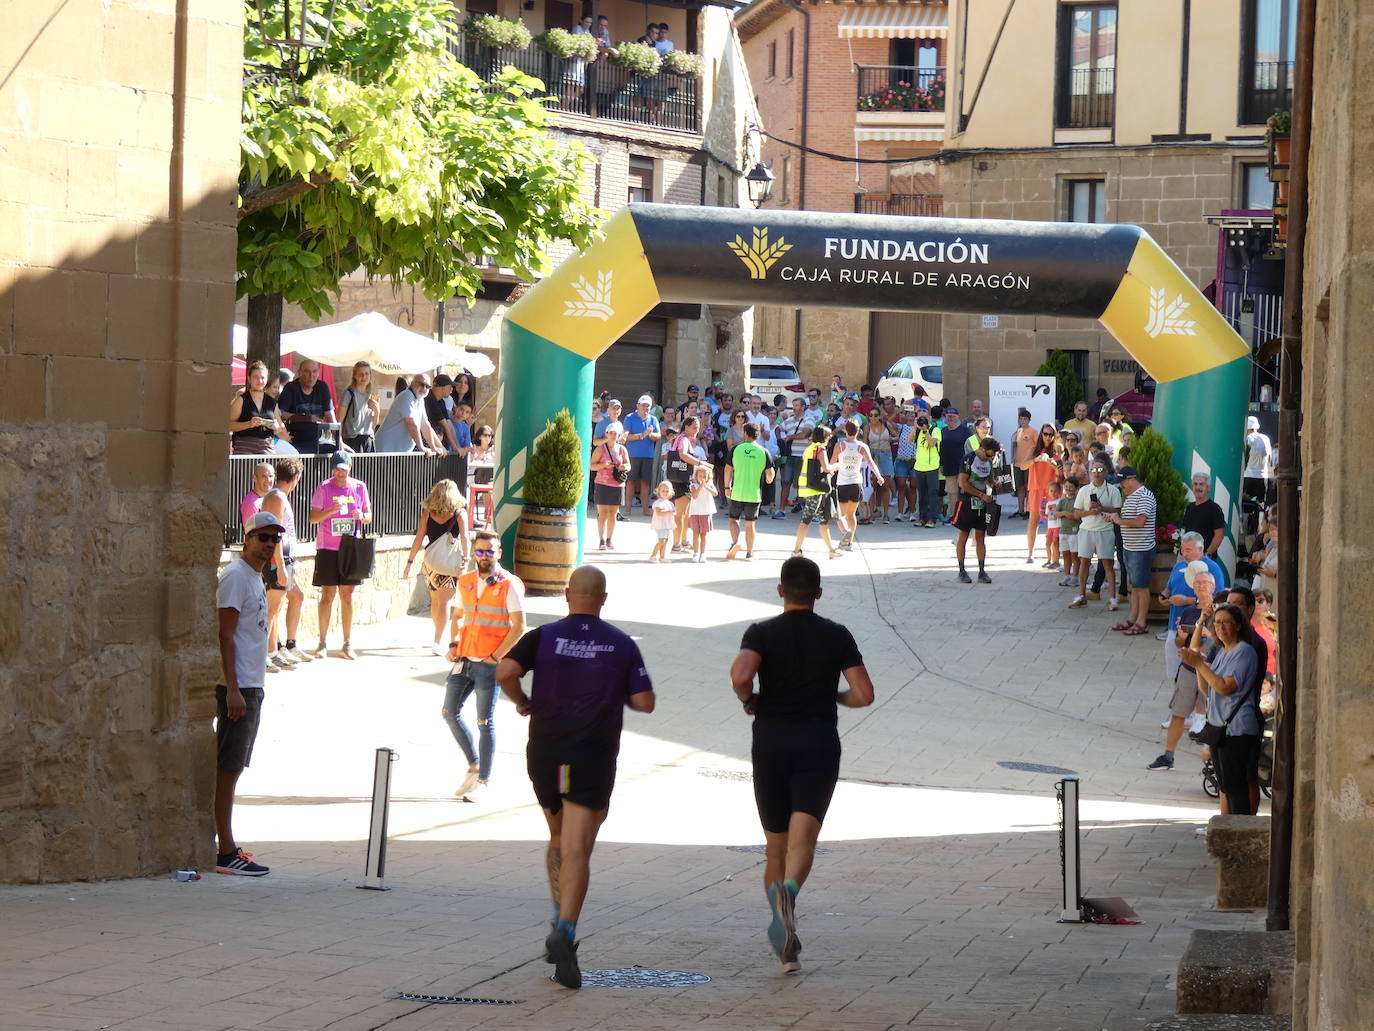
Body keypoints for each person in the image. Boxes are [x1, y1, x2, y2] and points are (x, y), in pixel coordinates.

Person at [495, 565, 654, 989]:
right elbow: (646, 701)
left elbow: (504, 672)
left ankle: (558, 909)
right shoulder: (621, 644)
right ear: (602, 598)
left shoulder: (543, 636)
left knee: (558, 837)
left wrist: (523, 701)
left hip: (548, 753)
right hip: (591, 754)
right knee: (578, 848)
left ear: (567, 594)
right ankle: (565, 928)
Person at [729, 556, 875, 974]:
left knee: (775, 845)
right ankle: (791, 891)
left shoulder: (761, 632)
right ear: (818, 592)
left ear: (780, 591)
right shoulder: (837, 634)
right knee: (803, 841)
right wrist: (836, 697)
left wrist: (748, 698)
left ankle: (783, 940)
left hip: (771, 743)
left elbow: (740, 676)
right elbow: (863, 693)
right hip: (818, 745)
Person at [214, 510, 280, 876]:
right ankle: (226, 849)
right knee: (229, 767)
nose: (269, 544)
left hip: (253, 684)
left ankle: (226, 844)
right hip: (238, 687)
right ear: (248, 537)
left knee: (234, 766)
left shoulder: (255, 577)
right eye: (263, 537)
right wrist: (233, 689)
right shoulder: (236, 577)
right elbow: (225, 635)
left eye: (275, 539)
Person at [445, 530, 526, 802]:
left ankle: (484, 780)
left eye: (489, 551)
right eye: (479, 551)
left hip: (489, 665)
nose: (484, 556)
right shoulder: (465, 580)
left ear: (499, 553)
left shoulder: (509, 584)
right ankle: (473, 763)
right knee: (449, 712)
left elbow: (519, 626)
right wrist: (452, 644)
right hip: (465, 659)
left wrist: (496, 657)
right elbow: (457, 616)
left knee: (484, 722)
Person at [1179, 603, 1263, 815]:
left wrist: (1199, 664)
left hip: (1237, 730)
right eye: (1217, 623)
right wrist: (1200, 666)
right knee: (1226, 786)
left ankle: (1240, 834)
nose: (1221, 627)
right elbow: (1207, 688)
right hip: (1221, 730)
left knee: (1236, 788)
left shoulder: (1244, 652)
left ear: (1237, 626)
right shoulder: (1224, 652)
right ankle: (1230, 831)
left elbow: (1225, 687)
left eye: (1226, 623)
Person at [1148, 565, 1216, 772]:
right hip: (1188, 668)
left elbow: (1227, 641)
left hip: (1211, 670)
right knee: (1178, 712)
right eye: (1197, 583)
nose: (1201, 587)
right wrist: (1183, 637)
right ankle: (1168, 756)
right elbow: (1179, 643)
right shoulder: (1188, 612)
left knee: (1216, 716)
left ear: (1212, 587)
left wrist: (1209, 634)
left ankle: (1214, 759)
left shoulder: (1222, 613)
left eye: (1204, 583)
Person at [308, 453, 372, 659]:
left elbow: (369, 515)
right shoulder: (324, 487)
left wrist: (362, 516)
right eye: (336, 468)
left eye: (343, 468)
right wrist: (330, 511)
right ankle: (322, 642)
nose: (339, 472)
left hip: (351, 547)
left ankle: (347, 643)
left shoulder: (359, 487)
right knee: (327, 595)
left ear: (350, 467)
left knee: (347, 596)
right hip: (328, 547)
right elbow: (312, 517)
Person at [403, 479, 471, 655]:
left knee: (435, 601)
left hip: (431, 563)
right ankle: (438, 641)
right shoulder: (459, 513)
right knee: (445, 602)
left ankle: (437, 636)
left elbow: (419, 538)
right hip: (450, 565)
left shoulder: (428, 513)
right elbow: (465, 537)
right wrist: (466, 559)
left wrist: (409, 562)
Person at [261, 457, 311, 668]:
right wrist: (280, 565)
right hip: (277, 560)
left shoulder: (279, 496)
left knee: (278, 606)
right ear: (296, 478)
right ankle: (264, 654)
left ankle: (273, 652)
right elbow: (275, 534)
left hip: (283, 559)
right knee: (272, 608)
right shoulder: (277, 498)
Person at [1104, 466, 1157, 634]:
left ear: (1132, 480)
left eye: (1123, 482)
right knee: (1134, 586)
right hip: (1131, 548)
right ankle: (1132, 619)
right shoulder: (1132, 495)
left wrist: (1119, 521)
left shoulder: (1145, 496)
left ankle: (1141, 623)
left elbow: (1140, 522)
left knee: (1141, 587)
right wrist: (1114, 518)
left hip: (1141, 549)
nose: (1121, 486)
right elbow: (1128, 519)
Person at [1067, 462, 1123, 611]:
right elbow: (1077, 513)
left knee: (1107, 565)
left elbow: (1118, 510)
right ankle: (1081, 595)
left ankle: (1112, 598)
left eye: (1100, 470)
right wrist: (1091, 512)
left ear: (1105, 472)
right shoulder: (1084, 490)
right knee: (1084, 562)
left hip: (1105, 530)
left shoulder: (1112, 490)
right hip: (1086, 530)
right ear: (1090, 472)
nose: (1097, 473)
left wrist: (1101, 508)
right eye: (1094, 470)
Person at [952, 435, 1001, 584]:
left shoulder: (989, 461)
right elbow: (962, 483)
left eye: (991, 456)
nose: (988, 458)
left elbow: (990, 480)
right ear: (981, 449)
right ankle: (962, 570)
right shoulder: (969, 458)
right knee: (964, 535)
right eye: (987, 455)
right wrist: (980, 494)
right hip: (967, 500)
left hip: (982, 503)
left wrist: (995, 484)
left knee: (981, 537)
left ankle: (982, 571)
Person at [725, 421, 774, 561]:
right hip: (754, 494)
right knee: (750, 523)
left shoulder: (736, 449)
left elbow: (728, 469)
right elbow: (770, 473)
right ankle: (750, 553)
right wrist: (769, 480)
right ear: (757, 435)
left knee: (733, 520)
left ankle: (734, 543)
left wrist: (727, 487)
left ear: (745, 433)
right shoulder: (764, 452)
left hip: (737, 492)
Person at [832, 420, 884, 551]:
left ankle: (845, 534)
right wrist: (878, 476)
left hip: (842, 483)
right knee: (851, 514)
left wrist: (827, 474)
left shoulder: (840, 445)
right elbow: (870, 462)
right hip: (856, 483)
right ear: (858, 430)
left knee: (841, 515)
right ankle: (849, 542)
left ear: (846, 430)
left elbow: (832, 462)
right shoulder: (862, 446)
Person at [793, 425, 841, 559]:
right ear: (825, 437)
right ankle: (796, 550)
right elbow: (826, 467)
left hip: (807, 487)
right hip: (814, 489)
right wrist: (837, 466)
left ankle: (831, 550)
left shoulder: (810, 447)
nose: (830, 438)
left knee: (823, 519)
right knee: (806, 519)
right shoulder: (820, 449)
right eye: (829, 436)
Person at [276, 359, 336, 455]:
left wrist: (340, 442)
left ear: (319, 372)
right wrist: (304, 418)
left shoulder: (322, 387)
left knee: (336, 452)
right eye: (307, 371)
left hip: (318, 440)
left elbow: (330, 417)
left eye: (314, 371)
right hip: (296, 440)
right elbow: (280, 413)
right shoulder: (291, 388)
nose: (311, 376)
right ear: (299, 372)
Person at [667, 416, 707, 553]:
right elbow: (683, 455)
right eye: (694, 427)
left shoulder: (683, 439)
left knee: (684, 513)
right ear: (687, 427)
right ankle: (677, 543)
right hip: (681, 480)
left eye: (698, 427)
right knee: (680, 513)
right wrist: (701, 463)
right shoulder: (683, 439)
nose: (697, 430)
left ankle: (683, 540)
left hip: (682, 479)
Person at [375, 374, 444, 454]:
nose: (424, 388)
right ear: (412, 383)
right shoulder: (406, 396)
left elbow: (425, 425)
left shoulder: (420, 400)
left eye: (427, 386)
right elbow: (411, 424)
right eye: (421, 384)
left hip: (398, 453)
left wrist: (435, 447)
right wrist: (421, 447)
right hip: (385, 451)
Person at [591, 422, 630, 551]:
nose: (613, 435)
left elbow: (628, 465)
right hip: (602, 484)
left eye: (615, 433)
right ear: (606, 434)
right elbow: (592, 466)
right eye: (611, 432)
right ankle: (601, 540)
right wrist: (604, 465)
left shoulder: (622, 449)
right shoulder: (600, 448)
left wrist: (624, 467)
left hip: (617, 484)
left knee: (613, 514)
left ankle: (609, 539)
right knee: (602, 513)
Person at [1024, 424, 1060, 561]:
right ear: (1041, 434)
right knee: (1033, 521)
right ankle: (1030, 553)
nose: (1048, 437)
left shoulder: (1057, 450)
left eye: (1051, 435)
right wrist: (1036, 459)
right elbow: (1022, 465)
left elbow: (1060, 470)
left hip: (1051, 490)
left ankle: (1052, 556)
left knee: (1052, 522)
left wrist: (1051, 463)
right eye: (1045, 434)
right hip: (1035, 488)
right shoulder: (1034, 449)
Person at [622, 394, 661, 518]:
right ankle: (628, 509)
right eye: (644, 405)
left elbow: (658, 436)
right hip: (632, 455)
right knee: (631, 482)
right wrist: (641, 435)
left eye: (648, 406)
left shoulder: (653, 419)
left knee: (645, 483)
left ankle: (645, 509)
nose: (646, 408)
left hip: (648, 456)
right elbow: (626, 436)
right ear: (637, 406)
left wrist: (650, 435)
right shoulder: (629, 418)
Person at [229, 360, 280, 455]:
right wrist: (249, 424)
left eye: (262, 378)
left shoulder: (272, 402)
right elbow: (229, 425)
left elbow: (279, 427)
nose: (260, 381)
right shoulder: (241, 400)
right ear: (249, 379)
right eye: (256, 377)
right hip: (244, 446)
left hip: (266, 447)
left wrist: (274, 426)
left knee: (268, 469)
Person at [777, 397, 814, 514]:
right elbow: (778, 428)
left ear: (803, 407)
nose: (794, 408)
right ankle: (781, 510)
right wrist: (780, 440)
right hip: (791, 456)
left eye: (796, 405)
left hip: (803, 456)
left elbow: (805, 434)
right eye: (793, 405)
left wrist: (789, 437)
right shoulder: (789, 420)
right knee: (786, 482)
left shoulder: (809, 419)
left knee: (803, 485)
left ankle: (805, 509)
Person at [1183, 473, 1227, 570]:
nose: (1198, 487)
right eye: (1195, 484)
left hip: (1205, 560)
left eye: (1201, 484)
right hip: (1187, 559)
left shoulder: (1214, 509)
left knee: (1203, 585)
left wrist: (1207, 554)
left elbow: (1219, 535)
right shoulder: (1189, 507)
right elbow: (1186, 531)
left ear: (1208, 488)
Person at [337, 361, 381, 453]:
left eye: (366, 374)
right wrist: (339, 441)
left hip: (368, 439)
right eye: (360, 374)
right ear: (355, 376)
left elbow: (374, 424)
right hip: (352, 439)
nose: (364, 377)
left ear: (370, 375)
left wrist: (377, 411)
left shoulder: (372, 395)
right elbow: (339, 420)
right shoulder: (348, 394)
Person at [938, 406, 969, 522]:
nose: (950, 418)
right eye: (948, 416)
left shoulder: (965, 430)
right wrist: (941, 464)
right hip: (948, 466)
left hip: (963, 467)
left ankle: (963, 516)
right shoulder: (943, 431)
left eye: (953, 416)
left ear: (957, 417)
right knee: (951, 493)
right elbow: (940, 449)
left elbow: (971, 447)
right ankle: (953, 516)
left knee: (964, 492)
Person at [865, 406, 895, 523]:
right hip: (873, 455)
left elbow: (896, 436)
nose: (873, 417)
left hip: (886, 455)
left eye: (876, 415)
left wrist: (891, 439)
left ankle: (886, 514)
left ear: (879, 416)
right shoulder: (867, 427)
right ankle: (873, 512)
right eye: (871, 415)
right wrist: (870, 457)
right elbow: (865, 443)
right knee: (872, 486)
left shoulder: (886, 425)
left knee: (885, 486)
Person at [687, 463, 718, 562]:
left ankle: (703, 553)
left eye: (705, 476)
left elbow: (715, 493)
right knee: (695, 533)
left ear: (709, 476)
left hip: (705, 512)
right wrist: (700, 486)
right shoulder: (693, 485)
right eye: (700, 476)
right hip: (695, 512)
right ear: (696, 476)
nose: (702, 478)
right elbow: (694, 496)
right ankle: (696, 553)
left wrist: (706, 486)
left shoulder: (710, 484)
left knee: (703, 534)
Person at [1010, 408, 1038, 518]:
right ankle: (1020, 510)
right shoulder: (1018, 431)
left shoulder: (1033, 431)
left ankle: (1029, 510)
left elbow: (1037, 447)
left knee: (1028, 487)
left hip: (1028, 464)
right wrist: (1013, 457)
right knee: (1020, 487)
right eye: (1021, 419)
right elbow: (1017, 446)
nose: (1023, 421)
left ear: (1029, 420)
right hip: (1017, 463)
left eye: (1025, 419)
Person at [1243, 415, 1274, 504]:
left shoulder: (1246, 439)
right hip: (1262, 477)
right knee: (1260, 507)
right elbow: (1269, 459)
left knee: (1246, 507)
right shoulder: (1266, 438)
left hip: (1247, 476)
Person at [426, 374, 459, 453]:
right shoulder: (429, 398)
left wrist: (458, 446)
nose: (451, 389)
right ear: (443, 387)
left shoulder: (441, 401)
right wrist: (456, 448)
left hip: (434, 443)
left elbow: (448, 423)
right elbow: (444, 424)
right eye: (450, 386)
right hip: (425, 444)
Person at [648, 480, 676, 562]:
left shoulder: (670, 503)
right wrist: (670, 512)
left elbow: (674, 512)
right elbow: (659, 512)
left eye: (667, 491)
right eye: (663, 491)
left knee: (665, 540)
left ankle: (662, 557)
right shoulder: (658, 503)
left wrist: (673, 512)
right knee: (661, 540)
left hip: (667, 524)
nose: (665, 492)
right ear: (659, 491)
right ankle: (653, 555)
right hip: (660, 525)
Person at [1041, 480, 1063, 570]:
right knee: (1047, 543)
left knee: (1055, 543)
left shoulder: (1060, 502)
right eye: (1051, 491)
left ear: (1059, 492)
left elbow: (1060, 513)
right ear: (1048, 492)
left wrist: (1057, 514)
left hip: (1057, 525)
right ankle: (1049, 560)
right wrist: (1043, 515)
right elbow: (1048, 515)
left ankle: (1056, 561)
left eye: (1055, 491)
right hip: (1050, 527)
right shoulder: (1048, 503)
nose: (1053, 493)